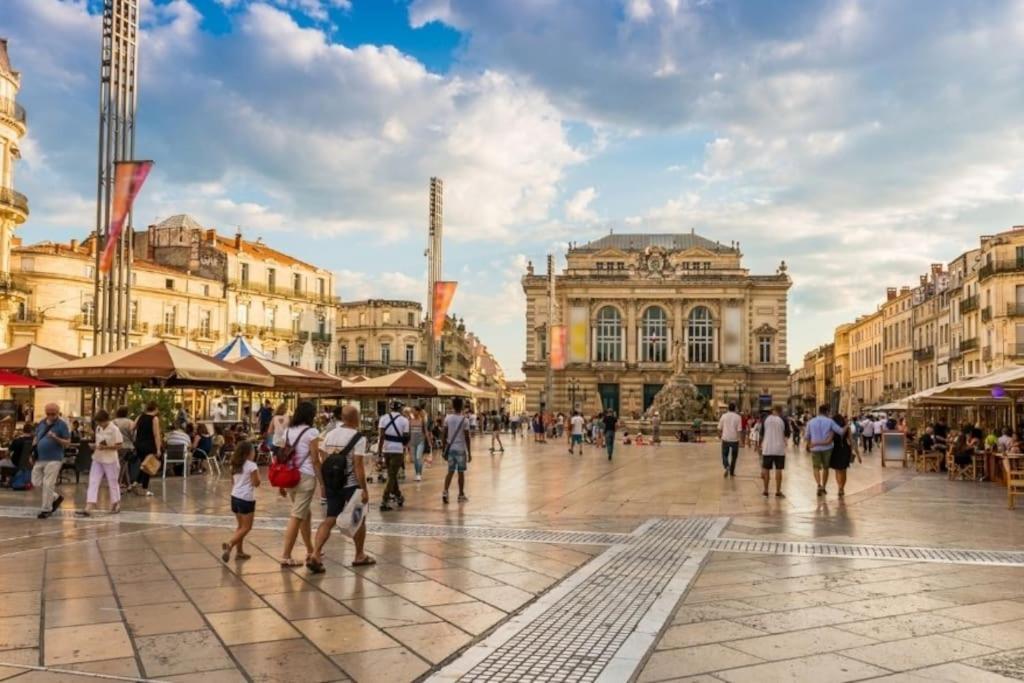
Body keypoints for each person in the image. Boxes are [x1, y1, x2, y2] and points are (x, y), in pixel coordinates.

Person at [308, 405, 376, 573]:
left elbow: (323, 460)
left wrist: (325, 483)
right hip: (351, 484)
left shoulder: (330, 434)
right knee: (359, 519)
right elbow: (358, 465)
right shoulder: (358, 437)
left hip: (333, 483)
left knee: (330, 518)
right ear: (355, 418)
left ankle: (315, 554)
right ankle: (359, 555)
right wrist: (364, 488)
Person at [279, 401, 320, 568]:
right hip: (306, 476)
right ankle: (286, 555)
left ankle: (310, 549)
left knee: (305, 513)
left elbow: (282, 457)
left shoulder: (288, 431)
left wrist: (281, 484)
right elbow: (315, 459)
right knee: (297, 516)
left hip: (290, 476)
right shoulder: (312, 432)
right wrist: (323, 483)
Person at [76, 410, 123, 517]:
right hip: (98, 458)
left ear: (106, 420)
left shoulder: (114, 429)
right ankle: (89, 505)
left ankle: (115, 503)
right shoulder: (98, 428)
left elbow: (119, 445)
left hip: (110, 459)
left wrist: (106, 447)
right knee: (93, 481)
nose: (99, 424)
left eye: (101, 422)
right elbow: (99, 442)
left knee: (112, 481)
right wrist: (95, 446)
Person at [31, 403, 71, 518]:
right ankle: (55, 497)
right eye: (48, 413)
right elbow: (36, 437)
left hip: (54, 458)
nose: (50, 416)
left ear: (57, 413)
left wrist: (55, 437)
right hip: (40, 458)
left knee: (48, 484)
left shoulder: (62, 425)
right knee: (35, 482)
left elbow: (67, 443)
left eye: (53, 414)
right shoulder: (42, 423)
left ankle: (46, 509)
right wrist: (32, 453)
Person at [223, 441, 259, 562]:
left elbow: (232, 482)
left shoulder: (234, 464)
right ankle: (230, 544)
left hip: (235, 497)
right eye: (253, 451)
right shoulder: (251, 465)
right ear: (249, 452)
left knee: (240, 526)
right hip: (246, 498)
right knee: (247, 527)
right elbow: (256, 483)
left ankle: (240, 552)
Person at [805, 404, 847, 496]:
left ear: (819, 411)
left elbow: (806, 436)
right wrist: (847, 425)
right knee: (825, 468)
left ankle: (818, 485)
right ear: (827, 411)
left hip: (815, 448)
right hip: (827, 448)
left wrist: (809, 444)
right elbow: (841, 432)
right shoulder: (830, 421)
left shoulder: (811, 422)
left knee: (816, 467)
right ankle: (824, 487)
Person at [376, 401, 409, 512]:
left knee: (392, 474)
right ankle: (384, 500)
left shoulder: (383, 418)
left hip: (386, 449)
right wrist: (404, 447)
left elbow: (381, 437)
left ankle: (398, 496)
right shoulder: (404, 420)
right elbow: (406, 438)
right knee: (392, 475)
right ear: (400, 409)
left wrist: (379, 453)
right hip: (398, 450)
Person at [129, 402, 162, 497]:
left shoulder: (140, 417)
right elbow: (156, 435)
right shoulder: (154, 419)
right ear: (155, 408)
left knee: (145, 465)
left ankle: (136, 483)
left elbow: (132, 428)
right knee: (148, 467)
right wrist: (158, 449)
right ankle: (144, 488)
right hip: (149, 445)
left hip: (139, 445)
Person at [442, 397, 471, 504]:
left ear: (453, 406)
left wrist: (443, 448)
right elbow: (467, 437)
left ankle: (445, 492)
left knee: (450, 471)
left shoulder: (447, 418)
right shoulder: (465, 420)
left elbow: (444, 434)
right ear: (462, 406)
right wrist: (469, 452)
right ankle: (461, 494)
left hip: (451, 449)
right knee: (461, 473)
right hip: (460, 450)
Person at [759, 406, 788, 498]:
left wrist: (760, 446)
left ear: (772, 411)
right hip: (779, 449)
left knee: (766, 469)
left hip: (767, 448)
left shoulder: (765, 420)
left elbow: (761, 434)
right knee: (779, 470)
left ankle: (766, 490)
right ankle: (778, 491)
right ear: (780, 411)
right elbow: (786, 434)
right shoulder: (783, 419)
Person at [829, 415, 860, 497]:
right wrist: (858, 454)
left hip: (835, 450)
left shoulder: (833, 429)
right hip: (845, 449)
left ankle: (839, 487)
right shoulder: (847, 428)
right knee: (843, 470)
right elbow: (852, 441)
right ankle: (842, 488)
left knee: (837, 470)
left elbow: (829, 440)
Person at [409, 405, 433, 482]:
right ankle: (416, 474)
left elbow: (426, 432)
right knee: (415, 459)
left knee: (418, 457)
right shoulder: (410, 420)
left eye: (413, 410)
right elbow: (409, 432)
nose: (412, 412)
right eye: (412, 411)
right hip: (412, 442)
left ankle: (419, 474)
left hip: (420, 441)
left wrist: (429, 442)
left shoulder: (422, 420)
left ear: (418, 411)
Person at [718, 403, 742, 477]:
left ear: (728, 408)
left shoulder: (723, 416)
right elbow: (739, 430)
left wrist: (719, 435)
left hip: (725, 438)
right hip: (735, 439)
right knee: (734, 456)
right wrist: (740, 440)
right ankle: (732, 472)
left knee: (724, 455)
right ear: (734, 408)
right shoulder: (738, 417)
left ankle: (727, 466)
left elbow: (719, 428)